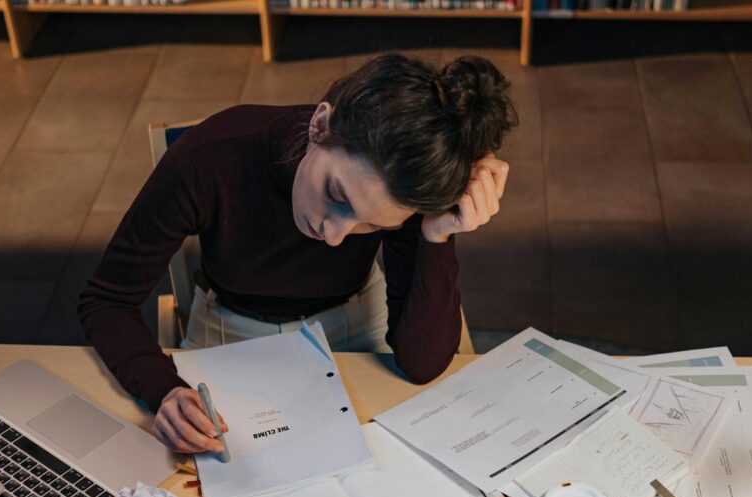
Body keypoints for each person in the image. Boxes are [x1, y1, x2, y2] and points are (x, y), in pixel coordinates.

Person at [79, 53, 517, 454]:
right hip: (229, 329)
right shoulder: (210, 158)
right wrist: (164, 390)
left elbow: (421, 365)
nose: (334, 236)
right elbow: (106, 300)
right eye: (337, 195)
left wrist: (437, 235)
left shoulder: (402, 192)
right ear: (320, 126)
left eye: (371, 225)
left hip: (354, 322)